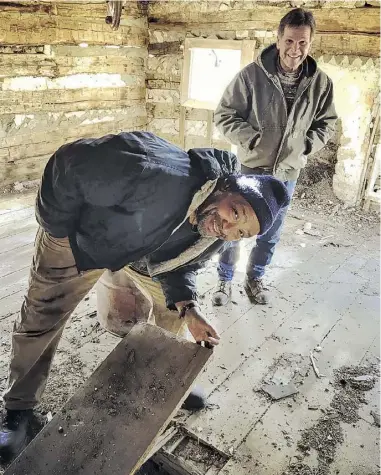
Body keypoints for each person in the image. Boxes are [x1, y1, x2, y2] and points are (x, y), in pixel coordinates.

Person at [0, 131, 290, 459]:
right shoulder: (153, 170)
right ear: (225, 187)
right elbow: (68, 163)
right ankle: (18, 408)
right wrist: (59, 230)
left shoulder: (215, 231)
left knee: (174, 312)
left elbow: (180, 265)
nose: (228, 229)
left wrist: (189, 307)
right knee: (43, 314)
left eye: (242, 233)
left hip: (142, 252)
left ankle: (158, 381)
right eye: (235, 213)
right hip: (82, 239)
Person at [212, 8, 337, 307]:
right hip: (251, 167)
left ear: (311, 43)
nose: (296, 50)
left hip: (287, 173)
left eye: (303, 43)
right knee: (233, 224)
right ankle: (224, 279)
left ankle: (255, 278)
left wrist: (306, 145)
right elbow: (224, 114)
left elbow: (327, 123)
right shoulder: (251, 76)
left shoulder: (320, 83)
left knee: (270, 230)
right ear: (278, 39)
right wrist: (252, 139)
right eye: (290, 41)